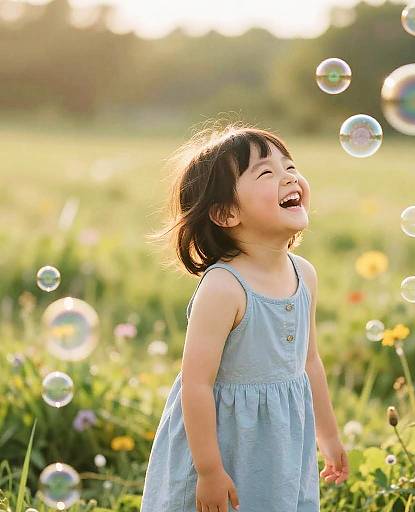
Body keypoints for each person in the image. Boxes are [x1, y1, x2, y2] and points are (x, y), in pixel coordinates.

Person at [140, 121, 349, 512]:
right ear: (224, 213)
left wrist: (328, 435)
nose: (289, 177)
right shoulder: (225, 287)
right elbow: (196, 384)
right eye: (267, 173)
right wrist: (208, 471)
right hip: (224, 444)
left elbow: (309, 362)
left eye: (290, 166)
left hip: (280, 445)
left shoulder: (304, 274)